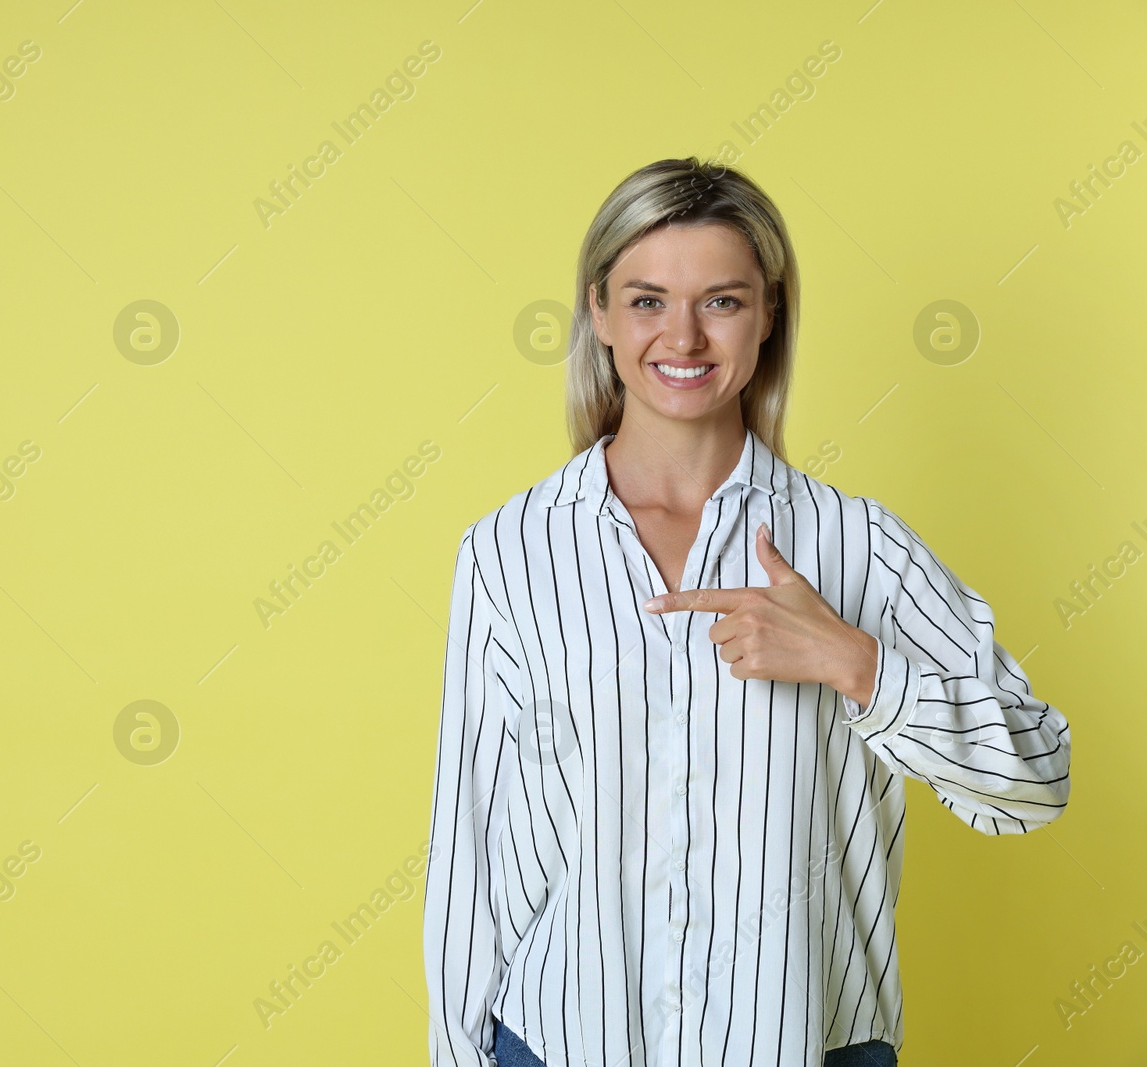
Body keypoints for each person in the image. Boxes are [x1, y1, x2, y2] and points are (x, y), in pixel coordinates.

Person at [422, 157, 1072, 1067]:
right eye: (647, 299)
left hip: (807, 1041)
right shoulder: (508, 552)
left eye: (721, 301)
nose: (682, 336)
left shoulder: (859, 548)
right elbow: (470, 849)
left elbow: (1037, 779)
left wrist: (858, 666)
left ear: (769, 315)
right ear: (599, 314)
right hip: (563, 1043)